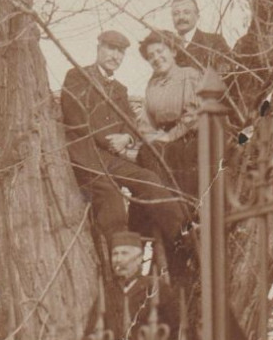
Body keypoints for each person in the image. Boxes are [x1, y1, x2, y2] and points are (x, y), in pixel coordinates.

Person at [60, 31, 187, 257]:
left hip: (112, 158)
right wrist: (111, 140)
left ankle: (182, 238)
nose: (115, 56)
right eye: (111, 48)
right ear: (98, 47)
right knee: (111, 198)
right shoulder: (77, 76)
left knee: (149, 179)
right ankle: (120, 265)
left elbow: (130, 123)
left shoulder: (120, 89)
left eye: (120, 52)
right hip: (86, 156)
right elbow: (78, 120)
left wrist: (126, 138)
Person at [136, 30, 202, 201]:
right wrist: (151, 138)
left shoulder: (189, 75)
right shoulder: (153, 85)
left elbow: (194, 114)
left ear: (173, 51)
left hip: (189, 140)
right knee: (146, 154)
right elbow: (146, 121)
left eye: (160, 51)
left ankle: (181, 211)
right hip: (163, 142)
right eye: (151, 56)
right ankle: (165, 210)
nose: (156, 58)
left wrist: (169, 137)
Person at [170, 0, 234, 76]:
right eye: (176, 14)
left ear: (197, 17)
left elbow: (226, 76)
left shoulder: (214, 42)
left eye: (186, 12)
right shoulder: (168, 48)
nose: (181, 17)